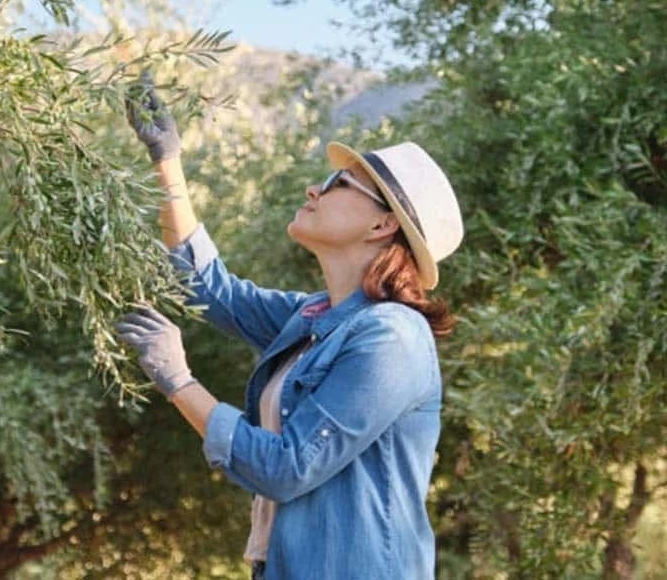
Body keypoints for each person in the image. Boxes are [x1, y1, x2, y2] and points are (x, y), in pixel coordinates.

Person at [115, 72, 463, 579]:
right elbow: (208, 288)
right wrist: (167, 159)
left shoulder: (393, 337)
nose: (313, 189)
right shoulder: (315, 317)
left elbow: (287, 467)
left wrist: (180, 382)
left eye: (337, 184)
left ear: (382, 224)